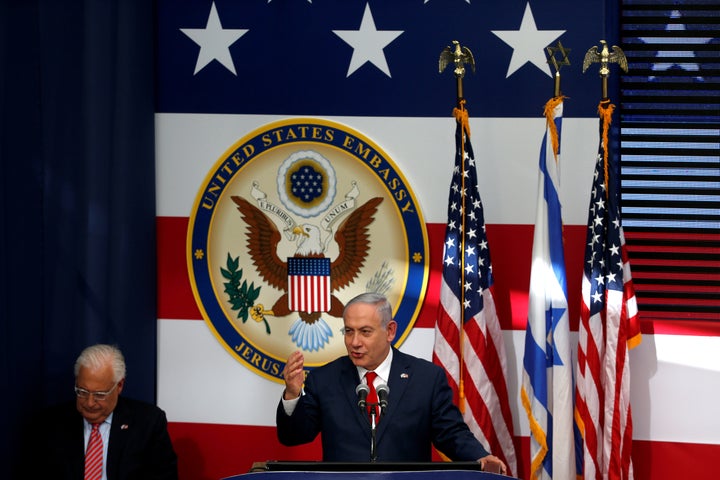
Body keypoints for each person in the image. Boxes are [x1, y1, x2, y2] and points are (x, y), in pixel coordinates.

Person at [277, 292, 507, 474]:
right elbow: (294, 436)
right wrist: (292, 394)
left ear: (390, 331)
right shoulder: (325, 378)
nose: (354, 342)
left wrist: (480, 456)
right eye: (349, 331)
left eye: (365, 332)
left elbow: (451, 434)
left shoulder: (426, 378)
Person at [35, 344, 178, 480]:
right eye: (82, 392)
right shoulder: (50, 423)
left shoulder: (148, 422)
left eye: (99, 394)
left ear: (119, 385)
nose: (89, 403)